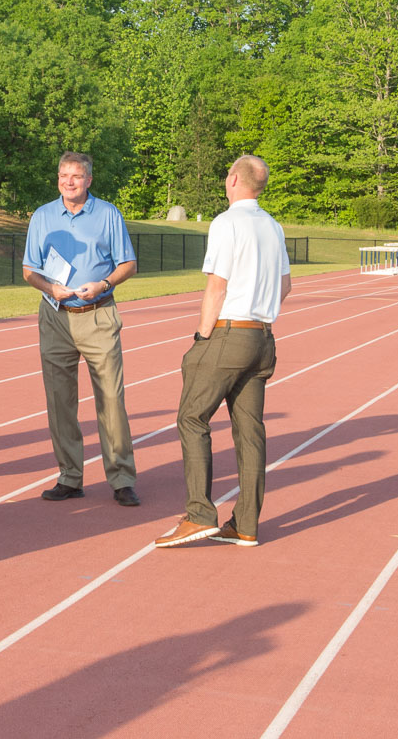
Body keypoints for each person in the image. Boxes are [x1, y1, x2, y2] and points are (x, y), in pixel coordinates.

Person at [156, 155, 290, 548]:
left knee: (191, 418)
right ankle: (245, 523)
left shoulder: (227, 222)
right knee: (250, 433)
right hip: (263, 337)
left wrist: (201, 337)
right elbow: (286, 286)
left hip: (229, 333)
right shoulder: (273, 226)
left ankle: (200, 514)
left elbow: (217, 285)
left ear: (233, 179)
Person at [23, 151, 140, 508]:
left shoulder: (108, 214)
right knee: (60, 402)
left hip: (98, 314)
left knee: (110, 399)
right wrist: (49, 288)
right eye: (63, 176)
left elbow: (129, 264)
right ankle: (70, 477)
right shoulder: (42, 216)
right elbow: (30, 270)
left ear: (89, 179)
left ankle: (121, 478)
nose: (68, 182)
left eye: (75, 176)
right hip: (55, 316)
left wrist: (103, 284)